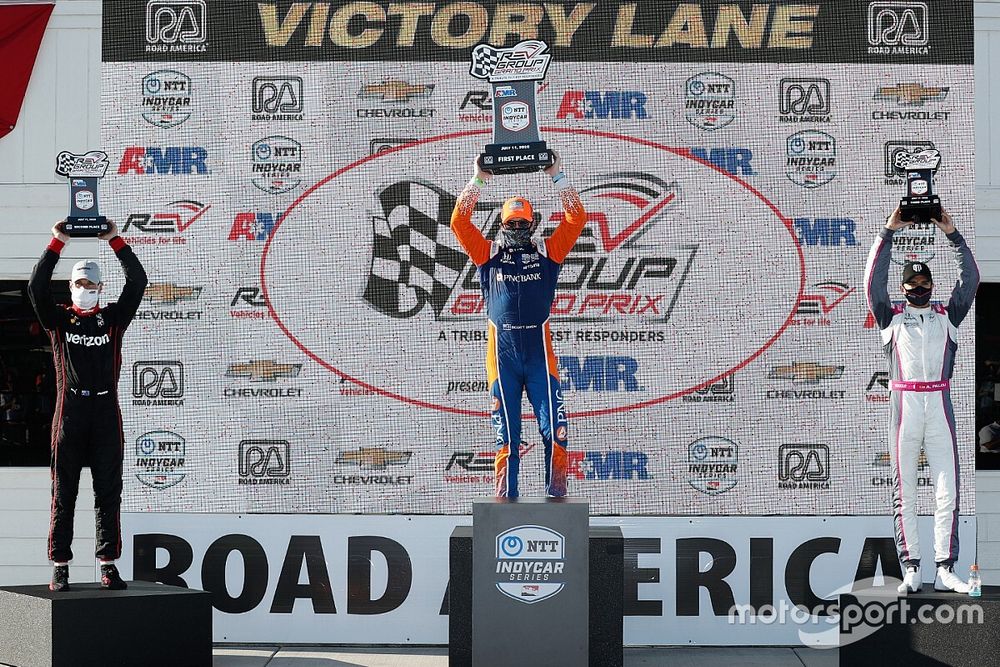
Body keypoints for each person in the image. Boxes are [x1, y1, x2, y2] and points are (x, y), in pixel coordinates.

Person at [450, 153, 587, 498]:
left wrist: (557, 173)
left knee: (556, 432)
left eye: (522, 223)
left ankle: (557, 499)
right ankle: (504, 502)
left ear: (532, 224)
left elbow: (576, 219)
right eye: (511, 224)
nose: (516, 229)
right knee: (506, 440)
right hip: (503, 360)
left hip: (540, 360)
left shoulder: (548, 253)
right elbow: (458, 222)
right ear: (501, 224)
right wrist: (478, 178)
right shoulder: (488, 255)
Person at [864, 207, 979, 594]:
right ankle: (911, 566)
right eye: (911, 282)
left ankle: (945, 567)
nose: (918, 286)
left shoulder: (949, 314)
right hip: (905, 407)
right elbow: (872, 284)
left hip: (940, 405)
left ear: (931, 284)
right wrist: (888, 231)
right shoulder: (890, 317)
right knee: (906, 491)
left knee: (948, 489)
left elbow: (972, 278)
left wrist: (952, 234)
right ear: (904, 288)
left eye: (923, 280)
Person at [28, 220, 148, 592]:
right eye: (80, 284)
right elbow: (35, 287)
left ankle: (107, 564)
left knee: (108, 492)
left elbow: (138, 282)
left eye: (92, 285)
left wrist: (115, 240)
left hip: (106, 412)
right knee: (64, 492)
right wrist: (57, 241)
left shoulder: (111, 319)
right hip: (70, 414)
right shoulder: (59, 320)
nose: (85, 290)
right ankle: (60, 565)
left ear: (100, 288)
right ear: (71, 287)